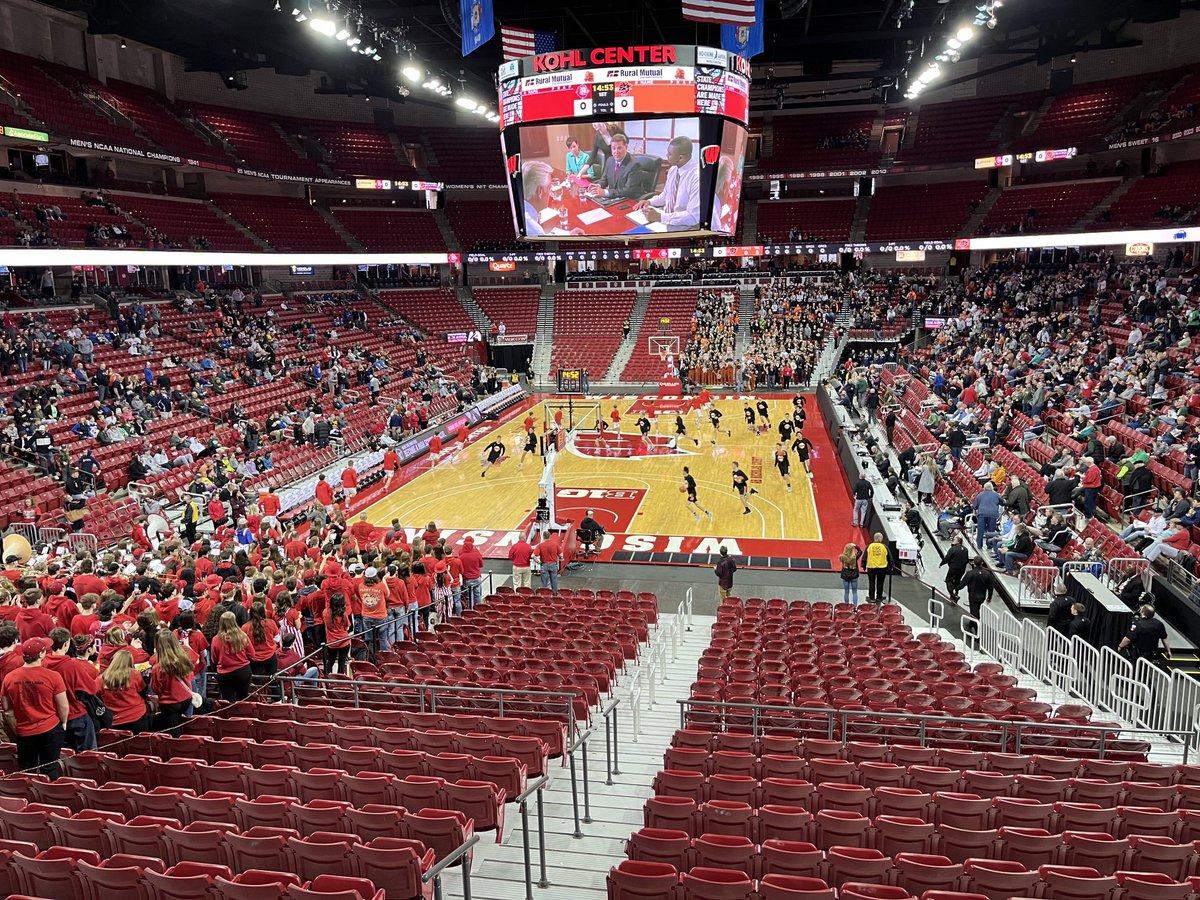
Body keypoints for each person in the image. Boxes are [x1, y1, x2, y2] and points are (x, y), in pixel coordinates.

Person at [1, 637, 68, 778]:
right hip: (50, 729)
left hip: (25, 732)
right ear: (42, 654)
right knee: (49, 769)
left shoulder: (9, 677)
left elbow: (7, 710)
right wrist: (64, 722)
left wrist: (17, 728)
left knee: (27, 771)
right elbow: (63, 705)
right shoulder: (53, 676)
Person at [44, 628, 97, 751]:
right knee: (88, 756)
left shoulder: (43, 663)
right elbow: (91, 688)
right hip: (76, 715)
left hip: (53, 717)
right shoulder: (72, 665)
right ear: (66, 644)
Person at [636, 136, 700, 228]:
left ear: (680, 157)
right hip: (667, 219)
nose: (666, 156)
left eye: (669, 154)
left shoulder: (697, 178)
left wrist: (660, 217)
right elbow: (666, 195)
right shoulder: (673, 170)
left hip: (685, 225)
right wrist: (649, 202)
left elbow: (693, 216)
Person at [150, 629, 198, 734]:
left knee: (174, 732)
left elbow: (155, 688)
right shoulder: (184, 656)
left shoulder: (158, 667)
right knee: (187, 724)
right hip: (186, 698)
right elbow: (196, 661)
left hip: (170, 704)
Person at [97, 648, 148, 733]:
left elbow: (97, 699)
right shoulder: (134, 675)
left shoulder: (100, 680)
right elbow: (143, 691)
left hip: (115, 722)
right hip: (138, 718)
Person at [210, 611, 252, 702]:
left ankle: (230, 715)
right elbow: (251, 654)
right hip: (242, 672)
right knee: (243, 700)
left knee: (228, 702)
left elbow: (214, 659)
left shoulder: (216, 639)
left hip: (225, 675)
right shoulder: (242, 636)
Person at [243, 601, 280, 699]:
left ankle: (260, 700)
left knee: (257, 681)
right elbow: (277, 639)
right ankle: (277, 699)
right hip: (270, 657)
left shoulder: (245, 627)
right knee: (273, 679)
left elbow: (244, 644)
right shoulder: (270, 623)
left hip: (254, 659)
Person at [323, 593, 352, 675]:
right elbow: (347, 627)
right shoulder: (343, 614)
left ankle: (327, 680)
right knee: (341, 663)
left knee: (330, 662)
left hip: (331, 642)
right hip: (344, 642)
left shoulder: (325, 612)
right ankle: (340, 682)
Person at [972, 482, 1002, 549]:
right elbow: (1002, 502)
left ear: (984, 488)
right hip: (992, 514)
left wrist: (975, 513)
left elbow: (974, 506)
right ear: (992, 487)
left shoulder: (980, 495)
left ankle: (979, 545)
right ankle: (989, 545)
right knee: (991, 530)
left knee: (980, 530)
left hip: (982, 514)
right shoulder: (996, 495)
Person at [942, 533, 969, 603]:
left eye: (954, 539)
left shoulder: (953, 549)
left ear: (958, 542)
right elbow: (967, 560)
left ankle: (953, 596)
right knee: (957, 581)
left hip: (953, 568)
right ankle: (956, 593)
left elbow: (947, 558)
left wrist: (942, 563)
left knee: (948, 581)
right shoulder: (966, 549)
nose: (952, 540)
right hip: (962, 569)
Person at [865, 533, 890, 604]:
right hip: (882, 567)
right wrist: (890, 565)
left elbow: (865, 556)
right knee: (880, 583)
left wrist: (863, 565)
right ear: (879, 539)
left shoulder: (869, 546)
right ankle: (879, 597)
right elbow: (889, 557)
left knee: (871, 582)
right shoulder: (884, 546)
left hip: (871, 567)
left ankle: (871, 597)